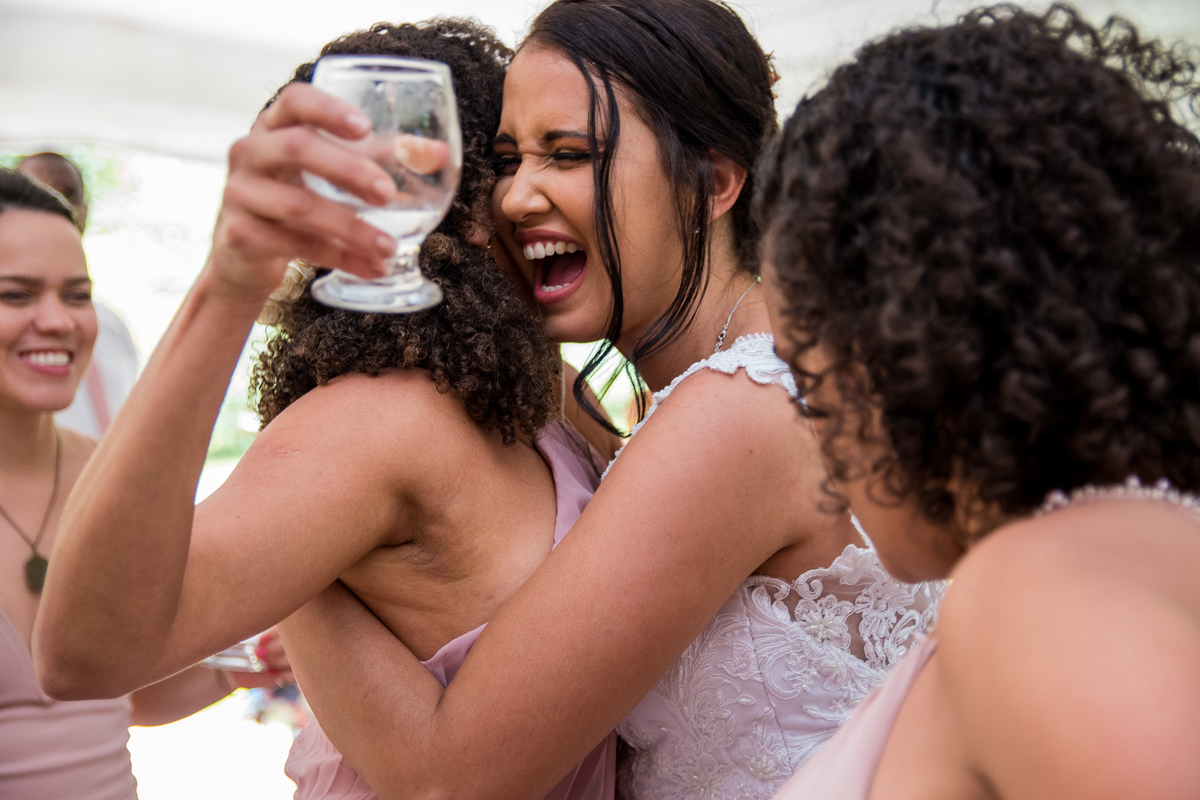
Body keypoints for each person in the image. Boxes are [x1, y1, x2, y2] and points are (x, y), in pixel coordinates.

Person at [273, 1, 941, 798]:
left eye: (569, 153)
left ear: (716, 182)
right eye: (510, 159)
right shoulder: (770, 366)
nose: (517, 197)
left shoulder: (732, 412)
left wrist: (303, 568)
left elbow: (452, 779)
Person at [32, 18, 619, 800]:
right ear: (459, 200)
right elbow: (84, 657)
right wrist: (227, 284)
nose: (528, 191)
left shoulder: (550, 396)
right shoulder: (382, 421)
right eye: (508, 162)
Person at [755, 5, 1200, 798]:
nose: (824, 452)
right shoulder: (1121, 549)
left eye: (815, 389)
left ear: (913, 359)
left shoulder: (1036, 591)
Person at [0, 168, 286, 799]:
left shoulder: (114, 482)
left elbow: (136, 695)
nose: (57, 321)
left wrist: (242, 671)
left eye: (77, 296)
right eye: (16, 295)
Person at [18, 151, 140, 438]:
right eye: (15, 295)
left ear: (85, 210)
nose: (54, 206)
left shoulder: (111, 327)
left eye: (78, 296)